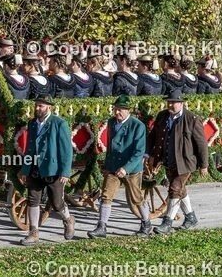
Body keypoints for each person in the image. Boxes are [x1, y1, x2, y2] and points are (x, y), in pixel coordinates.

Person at [88, 94, 152, 238]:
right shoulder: (111, 122)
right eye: (115, 109)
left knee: (137, 198)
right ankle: (101, 227)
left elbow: (139, 151)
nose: (117, 112)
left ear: (128, 110)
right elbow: (110, 145)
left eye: (120, 110)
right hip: (113, 166)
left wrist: (126, 168)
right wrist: (107, 165)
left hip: (131, 168)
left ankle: (146, 224)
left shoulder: (138, 126)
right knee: (106, 196)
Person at [146, 89, 209, 234]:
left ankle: (167, 223)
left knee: (174, 189)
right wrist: (148, 153)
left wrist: (204, 165)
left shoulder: (192, 119)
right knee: (180, 190)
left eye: (174, 102)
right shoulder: (162, 116)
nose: (170, 105)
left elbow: (201, 143)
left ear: (181, 103)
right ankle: (191, 217)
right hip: (168, 160)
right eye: (169, 102)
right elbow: (153, 136)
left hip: (186, 162)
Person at [18, 97, 75, 245]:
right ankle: (33, 232)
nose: (37, 109)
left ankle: (68, 219)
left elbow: (66, 150)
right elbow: (29, 148)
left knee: (57, 204)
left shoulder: (59, 123)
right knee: (33, 200)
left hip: (53, 169)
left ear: (49, 107)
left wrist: (65, 172)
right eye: (36, 106)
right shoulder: (32, 124)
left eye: (41, 106)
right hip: (35, 169)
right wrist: (25, 169)